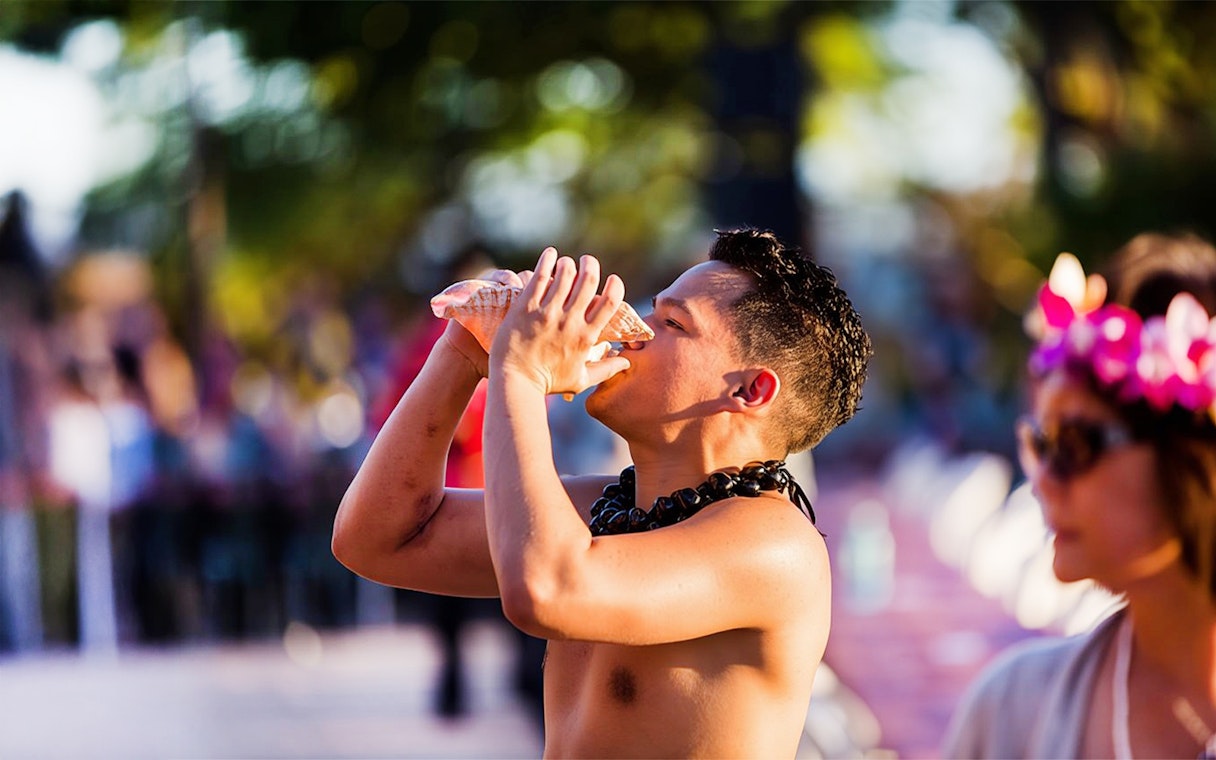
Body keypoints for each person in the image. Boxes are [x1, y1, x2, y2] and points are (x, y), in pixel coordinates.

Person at [333, 227, 870, 756]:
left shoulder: (776, 546)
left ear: (751, 390)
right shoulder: (604, 510)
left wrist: (521, 372)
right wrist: (464, 352)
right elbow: (378, 539)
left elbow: (547, 590)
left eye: (672, 323)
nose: (636, 330)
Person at [942, 232, 1216, 759]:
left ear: (1195, 455)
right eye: (1039, 443)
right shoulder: (1008, 716)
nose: (1041, 480)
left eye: (1073, 444)